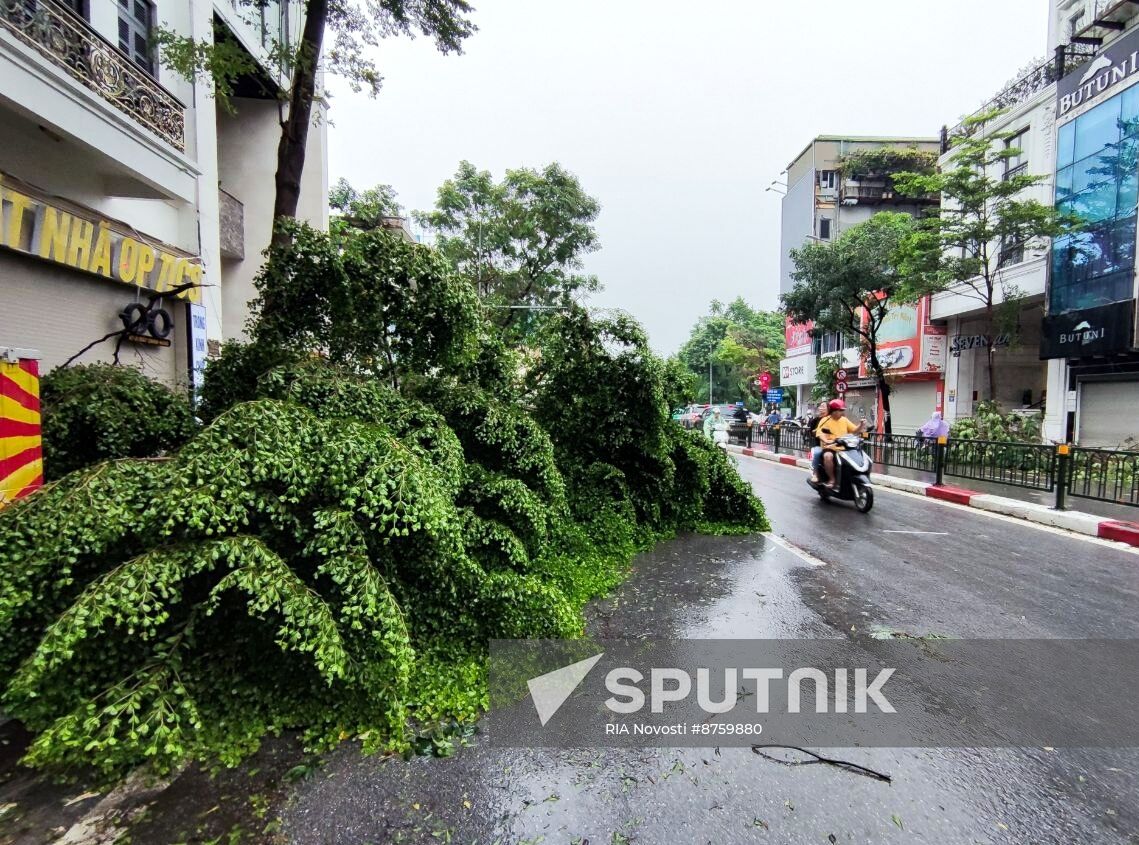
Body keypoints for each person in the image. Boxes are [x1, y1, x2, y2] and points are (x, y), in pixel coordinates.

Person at [815, 399, 868, 490]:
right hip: (830, 447)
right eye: (840, 410)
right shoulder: (825, 420)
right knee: (828, 456)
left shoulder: (844, 420)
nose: (842, 412)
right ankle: (832, 479)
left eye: (842, 410)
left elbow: (854, 431)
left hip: (844, 447)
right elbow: (820, 433)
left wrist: (861, 425)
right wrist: (826, 441)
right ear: (833, 411)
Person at [806, 400, 829, 483]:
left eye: (823, 406)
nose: (821, 408)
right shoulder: (815, 420)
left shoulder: (832, 419)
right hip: (820, 444)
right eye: (820, 406)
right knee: (817, 453)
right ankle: (815, 473)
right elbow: (811, 432)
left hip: (833, 444)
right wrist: (816, 432)